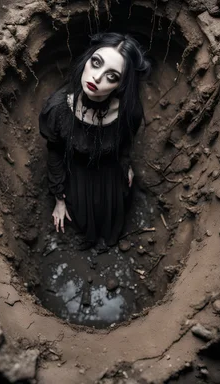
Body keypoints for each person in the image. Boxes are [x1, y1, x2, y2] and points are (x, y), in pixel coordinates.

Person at [39, 32, 150, 251]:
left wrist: (125, 163)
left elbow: (126, 140)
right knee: (82, 216)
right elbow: (55, 154)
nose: (96, 78)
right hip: (78, 174)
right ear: (87, 59)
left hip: (110, 174)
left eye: (112, 76)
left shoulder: (129, 110)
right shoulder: (58, 109)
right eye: (96, 63)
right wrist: (59, 199)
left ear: (121, 85)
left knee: (111, 214)